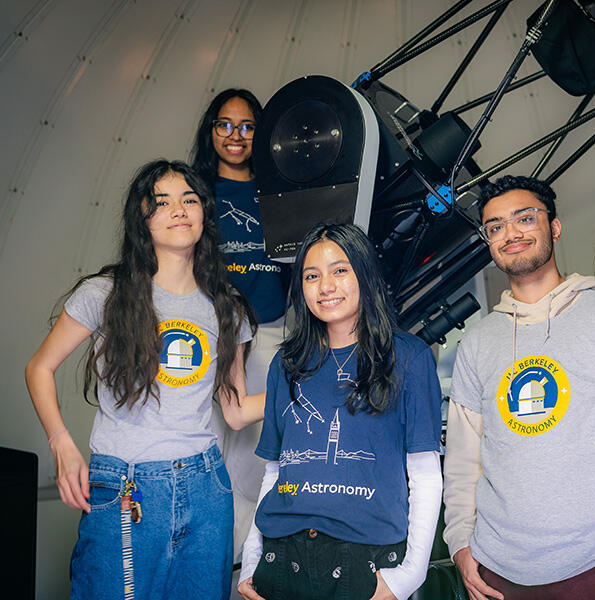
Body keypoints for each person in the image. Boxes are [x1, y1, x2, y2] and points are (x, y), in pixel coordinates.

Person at [443, 175, 595, 600]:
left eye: (525, 218)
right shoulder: (479, 342)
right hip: (497, 572)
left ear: (554, 228)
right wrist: (461, 544)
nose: (511, 234)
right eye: (496, 226)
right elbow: (464, 457)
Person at [25, 160, 264, 599]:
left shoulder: (227, 306)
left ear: (204, 214)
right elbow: (39, 367)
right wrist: (61, 443)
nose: (178, 210)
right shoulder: (105, 294)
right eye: (162, 202)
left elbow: (235, 411)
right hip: (124, 489)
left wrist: (307, 387)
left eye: (189, 200)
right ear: (143, 218)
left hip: (206, 489)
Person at [237, 223, 443, 600]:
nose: (325, 286)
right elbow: (274, 470)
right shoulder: (287, 363)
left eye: (340, 270)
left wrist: (408, 577)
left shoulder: (409, 358)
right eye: (311, 276)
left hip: (364, 561)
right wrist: (251, 562)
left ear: (365, 273)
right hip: (282, 557)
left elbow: (425, 474)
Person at [190, 88, 289, 559]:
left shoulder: (279, 190)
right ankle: (201, 557)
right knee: (204, 446)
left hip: (270, 332)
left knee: (254, 457)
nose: (236, 136)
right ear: (211, 131)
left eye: (248, 126)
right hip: (211, 337)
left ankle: (242, 569)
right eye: (225, 125)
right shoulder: (196, 194)